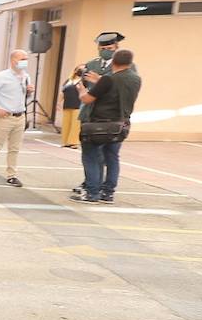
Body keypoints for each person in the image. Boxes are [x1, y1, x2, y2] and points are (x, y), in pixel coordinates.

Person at [72, 48, 141, 204]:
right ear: (130, 63)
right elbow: (116, 90)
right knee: (112, 157)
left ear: (113, 61)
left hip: (100, 124)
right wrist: (100, 81)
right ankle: (108, 193)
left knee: (91, 157)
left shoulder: (108, 79)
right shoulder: (135, 79)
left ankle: (92, 192)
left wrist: (82, 90)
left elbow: (87, 99)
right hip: (121, 123)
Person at [0, 48, 33, 187]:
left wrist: (29, 92)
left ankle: (12, 175)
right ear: (13, 60)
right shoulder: (1, 77)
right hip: (4, 117)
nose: (25, 62)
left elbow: (24, 97)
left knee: (14, 148)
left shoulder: (26, 77)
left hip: (20, 116)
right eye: (22, 59)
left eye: (26, 59)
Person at [59, 65, 85, 148]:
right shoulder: (69, 81)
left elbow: (87, 91)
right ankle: (65, 141)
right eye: (79, 69)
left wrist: (80, 88)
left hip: (78, 105)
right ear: (75, 70)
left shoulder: (84, 81)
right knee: (66, 123)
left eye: (83, 69)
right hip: (67, 104)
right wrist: (58, 103)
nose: (81, 70)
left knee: (75, 124)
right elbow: (62, 92)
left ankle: (73, 142)